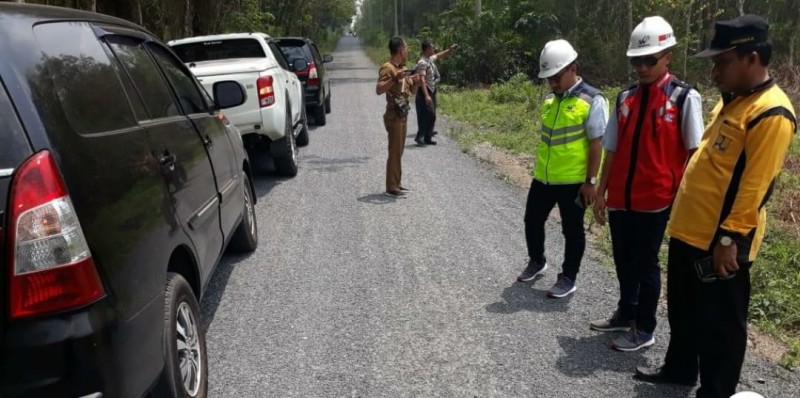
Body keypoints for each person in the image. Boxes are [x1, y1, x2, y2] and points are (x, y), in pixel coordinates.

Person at [634, 15, 797, 398]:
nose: (715, 69)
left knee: (720, 326)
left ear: (752, 58)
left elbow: (755, 186)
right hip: (690, 229)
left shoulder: (770, 113)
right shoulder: (734, 102)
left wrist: (730, 239)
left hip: (719, 241)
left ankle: (716, 390)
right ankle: (679, 370)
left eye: (722, 61)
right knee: (684, 312)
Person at [590, 16, 704, 352]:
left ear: (667, 55)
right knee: (623, 259)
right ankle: (627, 312)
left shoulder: (683, 98)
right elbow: (611, 148)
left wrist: (689, 203)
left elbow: (695, 155)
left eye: (649, 60)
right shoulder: (624, 98)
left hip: (656, 199)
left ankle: (645, 326)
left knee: (645, 263)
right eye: (636, 61)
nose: (641, 67)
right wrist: (601, 190)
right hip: (621, 197)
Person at [516, 39, 608, 298]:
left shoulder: (593, 100)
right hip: (543, 178)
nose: (552, 84)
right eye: (548, 79)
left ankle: (569, 277)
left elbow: (597, 143)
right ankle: (537, 261)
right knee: (532, 221)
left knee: (572, 231)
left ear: (572, 69)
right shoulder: (550, 100)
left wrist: (591, 181)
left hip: (573, 181)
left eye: (555, 77)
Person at [375, 37, 422, 198]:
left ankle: (397, 183)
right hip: (393, 115)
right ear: (401, 50)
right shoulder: (388, 68)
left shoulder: (403, 68)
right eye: (406, 49)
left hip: (403, 114)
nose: (407, 52)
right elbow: (379, 89)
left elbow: (413, 92)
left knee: (399, 151)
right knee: (394, 151)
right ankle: (391, 187)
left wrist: (416, 81)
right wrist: (395, 78)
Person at [414, 40, 457, 146]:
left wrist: (450, 50)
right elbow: (422, 80)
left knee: (432, 115)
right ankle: (420, 136)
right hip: (425, 91)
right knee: (428, 114)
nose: (433, 49)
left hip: (432, 90)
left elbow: (439, 55)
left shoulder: (429, 59)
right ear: (427, 49)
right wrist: (426, 95)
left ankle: (428, 137)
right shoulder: (422, 62)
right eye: (432, 48)